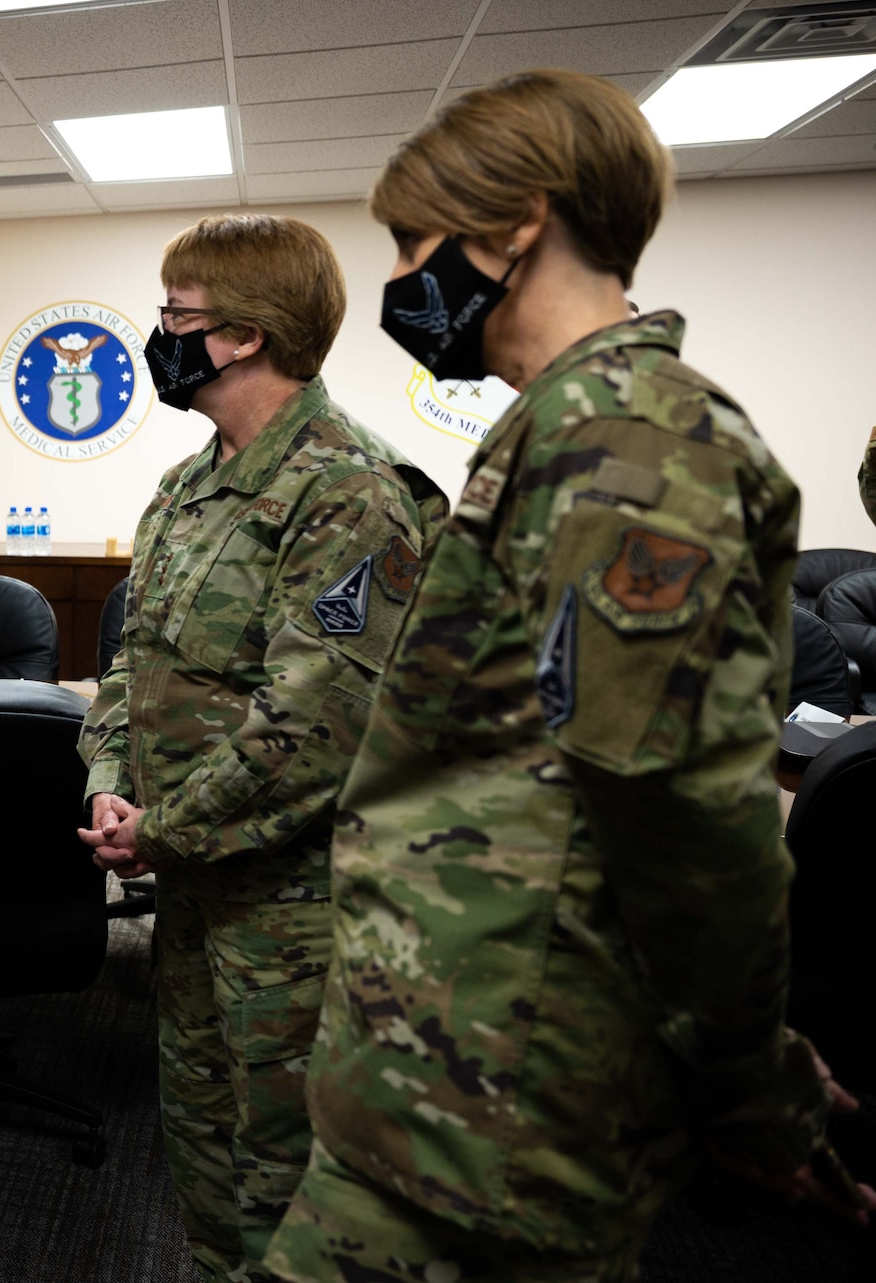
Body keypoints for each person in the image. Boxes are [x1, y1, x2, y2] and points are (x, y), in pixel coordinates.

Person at [266, 70, 876, 1283]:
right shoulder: (559, 425)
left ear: (514, 225)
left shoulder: (634, 443)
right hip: (438, 1069)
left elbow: (680, 813)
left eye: (412, 240)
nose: (397, 279)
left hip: (504, 1108)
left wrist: (756, 1088)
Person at [77, 213, 447, 1282]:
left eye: (175, 315)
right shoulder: (187, 491)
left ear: (241, 334)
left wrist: (163, 827)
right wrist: (109, 783)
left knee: (295, 1173)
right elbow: (127, 665)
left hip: (297, 912)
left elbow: (309, 726)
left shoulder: (349, 492)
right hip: (191, 885)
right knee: (199, 1140)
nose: (161, 334)